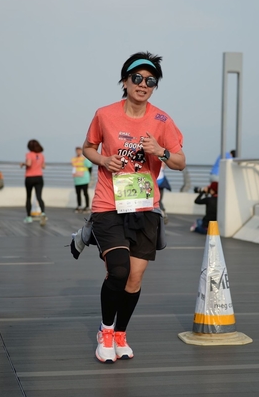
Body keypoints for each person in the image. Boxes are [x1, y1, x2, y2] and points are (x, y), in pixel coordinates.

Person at [81, 51, 186, 363]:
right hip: (108, 204)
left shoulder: (162, 120)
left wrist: (160, 151)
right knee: (119, 270)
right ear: (125, 81)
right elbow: (88, 147)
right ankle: (106, 331)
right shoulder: (104, 115)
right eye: (137, 78)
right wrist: (104, 160)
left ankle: (121, 333)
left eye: (150, 81)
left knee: (134, 278)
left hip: (144, 208)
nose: (143, 84)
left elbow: (180, 162)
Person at [20, 139, 46, 225]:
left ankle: (28, 217)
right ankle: (43, 213)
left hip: (30, 177)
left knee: (28, 197)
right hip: (39, 177)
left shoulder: (29, 154)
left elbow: (29, 164)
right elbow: (43, 166)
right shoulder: (41, 155)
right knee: (39, 197)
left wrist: (23, 164)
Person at [72, 146, 92, 213]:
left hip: (84, 179)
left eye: (79, 150)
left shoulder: (84, 159)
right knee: (78, 193)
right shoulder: (74, 159)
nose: (78, 152)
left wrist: (89, 176)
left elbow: (90, 167)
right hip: (77, 179)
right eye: (77, 151)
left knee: (85, 193)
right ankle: (79, 206)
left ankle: (87, 206)